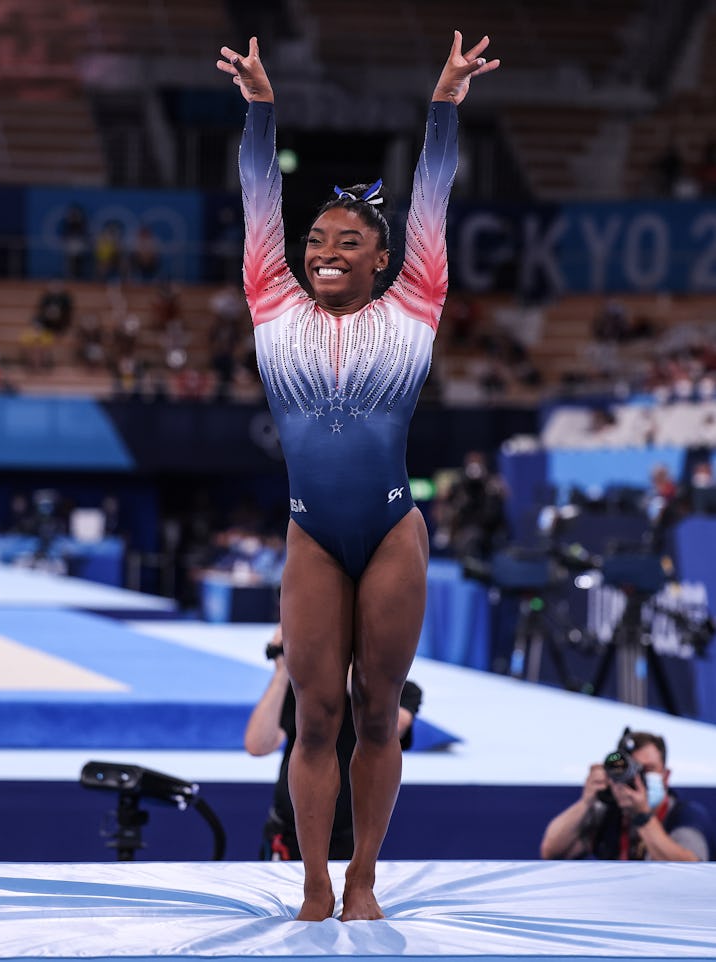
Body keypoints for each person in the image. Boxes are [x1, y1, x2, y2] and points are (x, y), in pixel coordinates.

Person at [217, 32, 499, 920]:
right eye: (316, 238)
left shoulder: (417, 299)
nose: (325, 249)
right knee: (315, 718)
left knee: (378, 713)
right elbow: (258, 192)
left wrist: (444, 104)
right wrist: (261, 107)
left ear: (382, 259)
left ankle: (364, 879)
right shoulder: (270, 293)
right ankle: (309, 883)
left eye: (347, 241)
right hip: (310, 532)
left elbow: (433, 198)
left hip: (388, 531)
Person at [246, 625, 422, 862]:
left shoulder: (399, 691)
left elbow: (393, 726)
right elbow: (258, 745)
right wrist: (283, 671)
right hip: (289, 832)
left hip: (350, 837)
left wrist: (336, 661)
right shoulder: (303, 689)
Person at [539, 729, 715, 862]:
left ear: (666, 775)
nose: (639, 778)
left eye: (648, 769)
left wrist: (642, 816)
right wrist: (586, 801)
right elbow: (551, 852)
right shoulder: (609, 812)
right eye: (634, 771)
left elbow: (691, 870)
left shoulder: (684, 814)